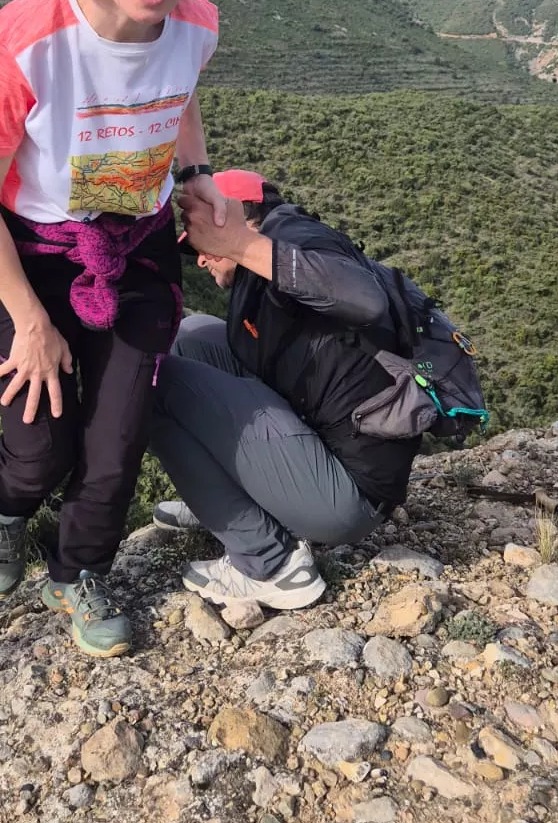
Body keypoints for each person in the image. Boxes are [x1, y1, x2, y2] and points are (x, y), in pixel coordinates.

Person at [0, 0, 225, 658]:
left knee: (115, 444)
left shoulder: (197, 26)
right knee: (38, 443)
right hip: (32, 254)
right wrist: (29, 320)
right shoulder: (24, 40)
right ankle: (6, 509)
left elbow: (178, 100)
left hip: (135, 251)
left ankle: (79, 572)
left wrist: (198, 177)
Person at [149, 170, 428, 609]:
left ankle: (270, 563)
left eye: (203, 240)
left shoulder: (296, 239)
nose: (201, 257)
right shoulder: (265, 266)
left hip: (346, 496)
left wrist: (239, 245)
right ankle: (232, 506)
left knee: (153, 383)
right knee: (191, 336)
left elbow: (365, 298)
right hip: (321, 448)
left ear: (241, 217)